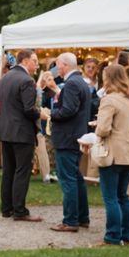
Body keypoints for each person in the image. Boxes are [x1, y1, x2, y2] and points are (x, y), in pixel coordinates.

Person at [93, 64, 129, 245]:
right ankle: (127, 235)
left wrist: (97, 126)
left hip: (113, 154)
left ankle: (113, 236)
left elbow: (103, 129)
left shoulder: (109, 100)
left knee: (111, 197)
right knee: (123, 195)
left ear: (109, 78)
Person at [0, 49, 45, 222]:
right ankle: (19, 210)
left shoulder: (5, 78)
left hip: (6, 131)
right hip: (21, 132)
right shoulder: (26, 80)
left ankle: (6, 208)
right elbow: (28, 109)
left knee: (9, 171)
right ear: (25, 61)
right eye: (35, 61)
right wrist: (40, 114)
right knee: (22, 171)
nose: (37, 65)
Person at [49, 52, 92, 232]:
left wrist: (50, 114)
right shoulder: (81, 82)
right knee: (76, 178)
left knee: (68, 180)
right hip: (75, 135)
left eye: (58, 65)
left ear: (65, 65)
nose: (57, 68)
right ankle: (82, 217)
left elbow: (68, 110)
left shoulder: (73, 83)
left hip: (67, 137)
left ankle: (71, 220)